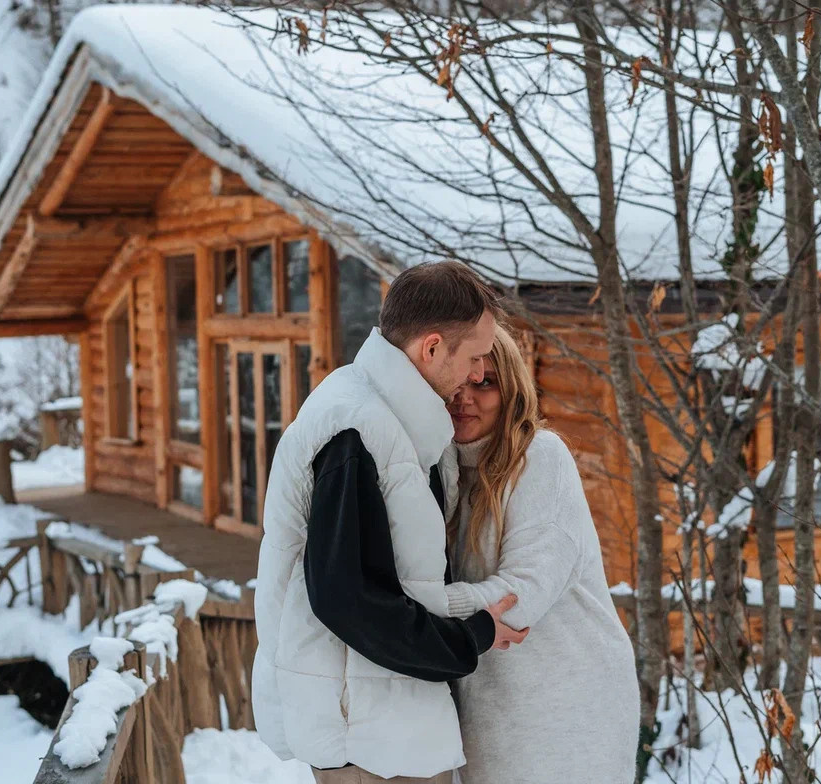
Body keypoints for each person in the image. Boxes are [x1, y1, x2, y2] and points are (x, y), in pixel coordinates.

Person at [253, 261, 529, 784]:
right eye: (473, 357)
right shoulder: (358, 430)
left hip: (381, 720)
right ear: (430, 349)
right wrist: (471, 636)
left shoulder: (383, 420)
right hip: (369, 738)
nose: (476, 374)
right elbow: (346, 597)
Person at [442, 325, 640, 784]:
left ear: (511, 390)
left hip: (567, 706)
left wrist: (409, 608)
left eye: (485, 383)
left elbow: (520, 598)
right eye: (459, 380)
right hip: (492, 701)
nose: (464, 397)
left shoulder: (539, 458)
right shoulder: (446, 472)